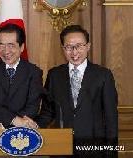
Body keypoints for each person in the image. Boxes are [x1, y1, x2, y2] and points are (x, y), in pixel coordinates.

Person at [36, 25, 118, 157]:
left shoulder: (103, 75)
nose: (74, 52)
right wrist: (32, 126)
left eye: (79, 46)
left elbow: (111, 118)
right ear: (63, 48)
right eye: (69, 47)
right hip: (61, 147)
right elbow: (48, 111)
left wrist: (111, 153)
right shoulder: (54, 75)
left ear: (88, 46)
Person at [0, 24, 43, 129]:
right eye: (1, 45)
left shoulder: (34, 72)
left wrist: (3, 125)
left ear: (22, 47)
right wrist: (14, 120)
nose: (6, 51)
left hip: (20, 131)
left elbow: (33, 107)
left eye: (11, 45)